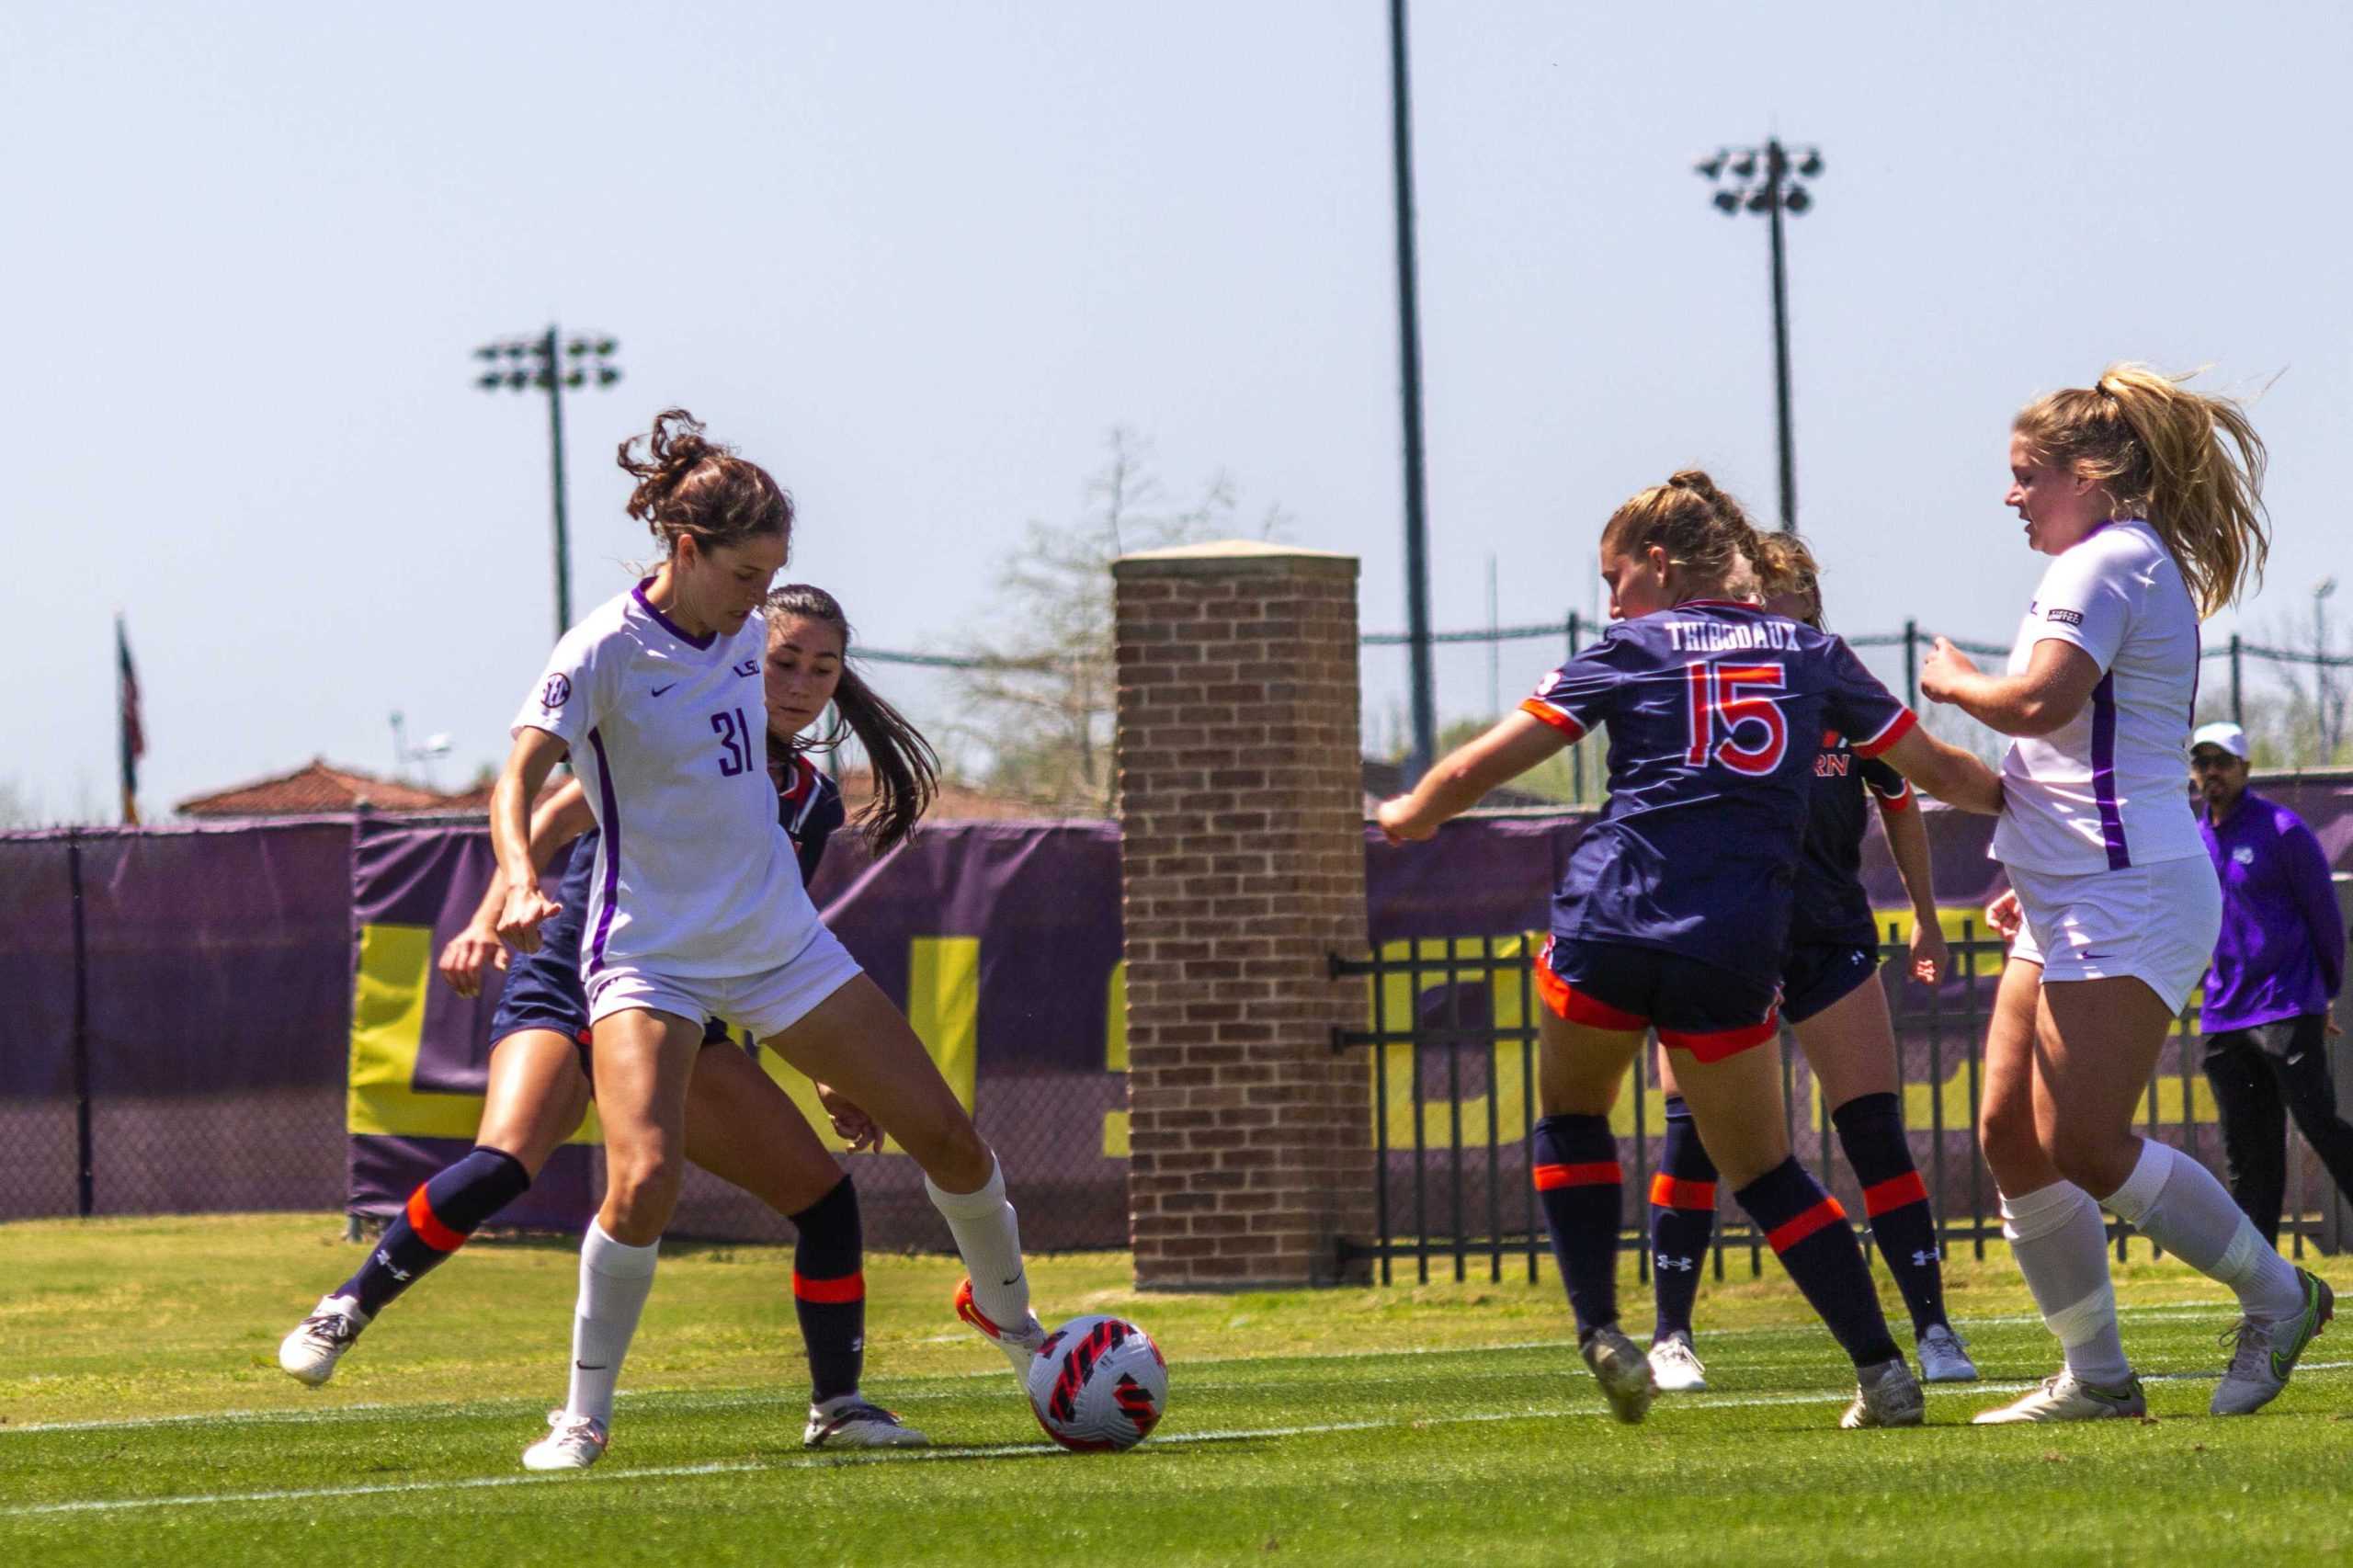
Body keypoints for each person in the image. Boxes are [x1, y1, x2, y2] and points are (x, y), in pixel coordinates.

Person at [1378, 470, 2004, 1429]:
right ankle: (1883, 1368)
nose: (1609, 597)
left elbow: (1477, 765)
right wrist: (2041, 801)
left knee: (1573, 1114)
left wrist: (1411, 811)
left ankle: (1601, 1328)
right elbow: (1939, 772)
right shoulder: (1812, 650)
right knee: (1762, 1168)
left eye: (1613, 574)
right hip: (1730, 945)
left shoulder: (1628, 644)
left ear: (1658, 565)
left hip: (1609, 920)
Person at [490, 411, 1043, 1471]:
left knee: (950, 1138)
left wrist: (813, 1054)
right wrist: (514, 880)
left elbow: (798, 669)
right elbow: (519, 782)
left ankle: (1018, 1330)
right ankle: (580, 1415)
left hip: (780, 947)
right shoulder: (604, 647)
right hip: (647, 951)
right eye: (750, 573)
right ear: (685, 550)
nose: (764, 597)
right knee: (644, 1175)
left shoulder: (748, 635)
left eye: (777, 572)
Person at [278, 582, 934, 1450]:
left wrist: (822, 1064)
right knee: (505, 1161)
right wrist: (489, 915)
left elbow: (771, 933)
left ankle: (839, 1406)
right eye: (781, 660)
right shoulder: (681, 730)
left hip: (679, 1001)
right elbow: (550, 810)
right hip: (569, 976)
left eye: (823, 667)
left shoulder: (810, 799)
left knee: (822, 1200)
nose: (801, 682)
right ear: (743, 655)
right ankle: (348, 1305)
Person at [1925, 365, 2331, 1424]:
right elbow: (2056, 759)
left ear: (2087, 473)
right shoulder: (2101, 560)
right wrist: (2019, 864)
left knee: (2085, 1142)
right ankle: (2098, 1377)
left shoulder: (2105, 561)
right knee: (2010, 1130)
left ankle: (2280, 1295)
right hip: (2073, 889)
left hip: (2126, 890)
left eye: (2024, 477)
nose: (2010, 497)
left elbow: (2035, 702)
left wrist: (1951, 682)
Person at [1643, 533, 1979, 1394]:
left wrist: (1928, 922)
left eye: (1781, 593)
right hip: (1720, 942)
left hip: (1828, 934)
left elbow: (1902, 799)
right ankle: (1671, 1334)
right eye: (1751, 591)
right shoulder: (1705, 688)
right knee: (1694, 1136)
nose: (1762, 608)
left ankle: (1934, 1328)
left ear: (1808, 603)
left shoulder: (1834, 683)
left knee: (1871, 1127)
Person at [2189, 720, 2353, 1242]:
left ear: (2246, 768)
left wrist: (2323, 992)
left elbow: (2325, 918)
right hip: (2223, 1013)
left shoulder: (2283, 830)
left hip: (2285, 1004)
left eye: (2222, 761)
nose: (2211, 772)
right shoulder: (2193, 839)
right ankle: (2261, 1274)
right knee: (2246, 1149)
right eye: (2202, 762)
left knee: (2318, 1124)